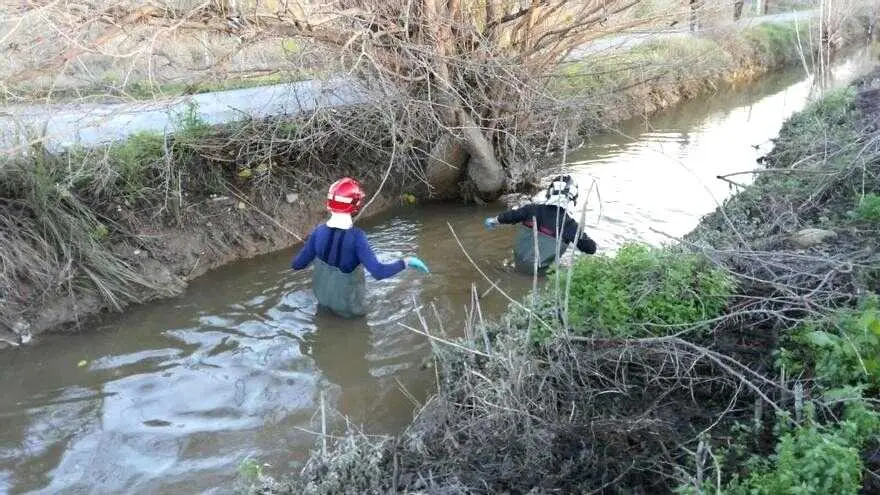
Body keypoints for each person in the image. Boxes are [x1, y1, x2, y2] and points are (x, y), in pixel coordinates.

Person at [291, 177, 429, 318]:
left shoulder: (318, 232)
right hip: (350, 311)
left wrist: (317, 253)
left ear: (330, 203)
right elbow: (379, 272)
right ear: (355, 206)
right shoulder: (357, 237)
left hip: (323, 303)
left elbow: (297, 265)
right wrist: (406, 262)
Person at [484, 174, 597, 275]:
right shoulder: (568, 224)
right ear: (572, 200)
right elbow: (591, 248)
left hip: (518, 264)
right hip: (541, 273)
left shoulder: (531, 209)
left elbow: (510, 216)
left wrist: (494, 220)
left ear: (549, 193)